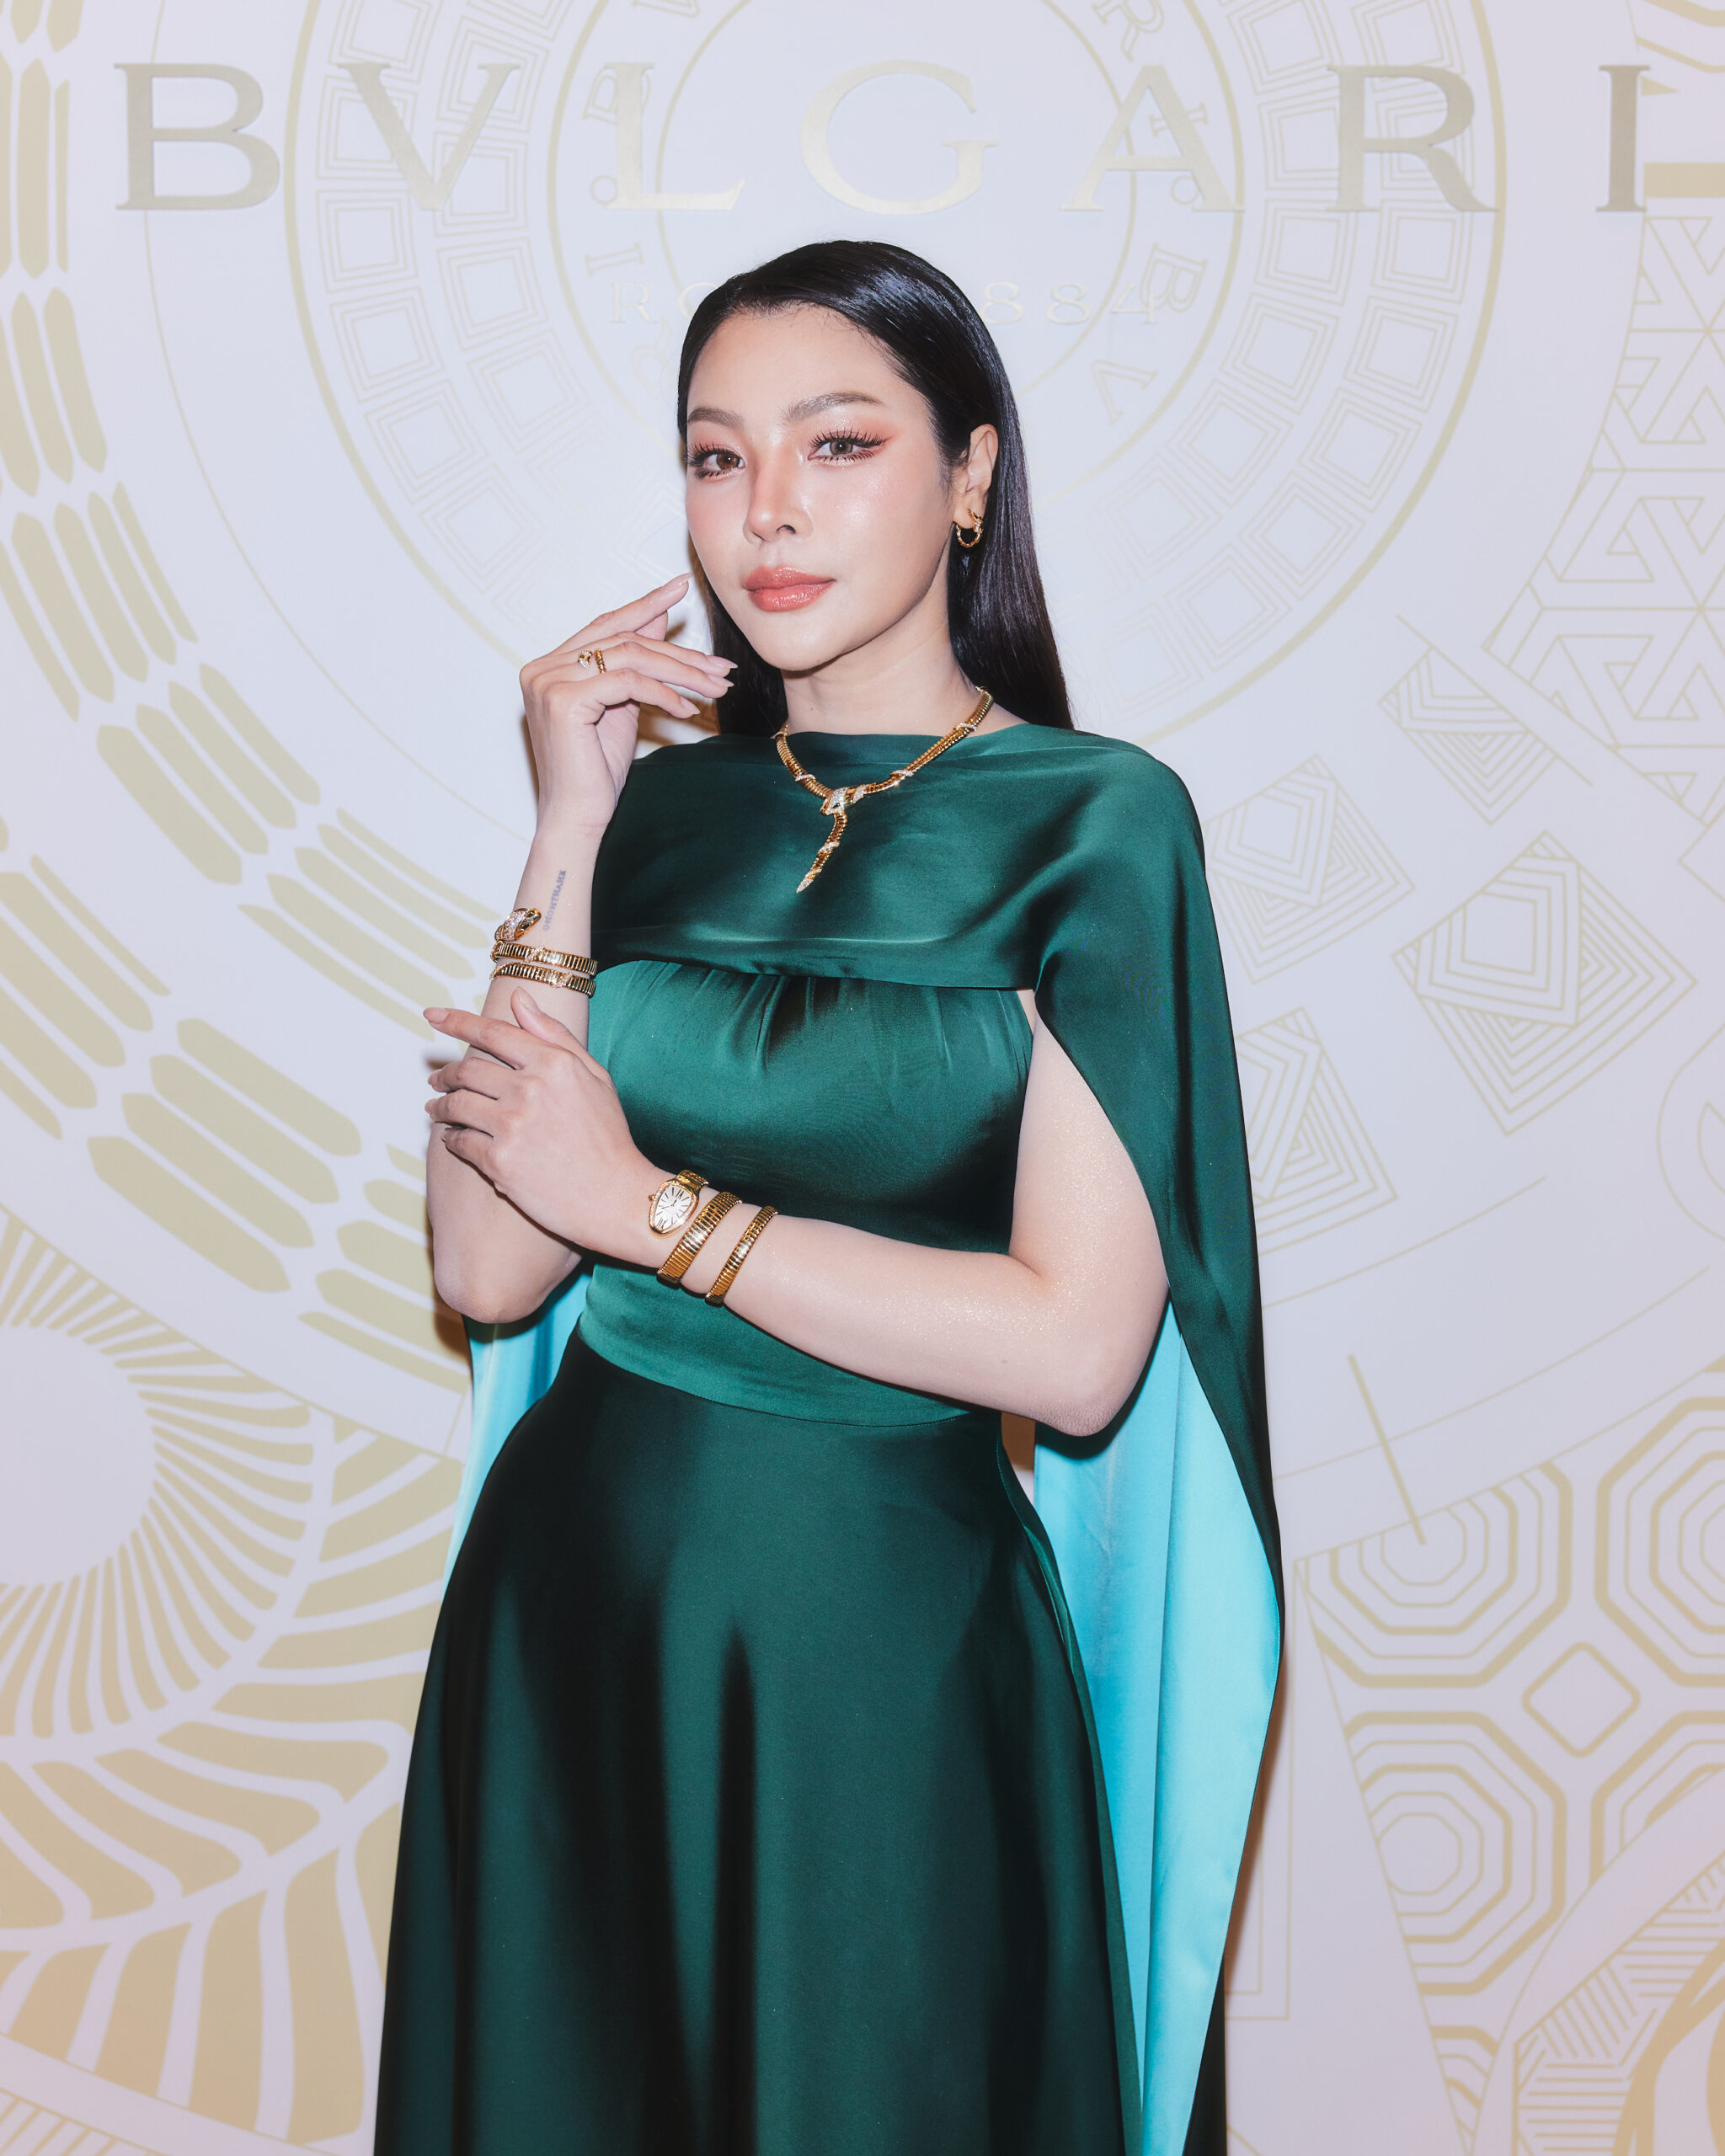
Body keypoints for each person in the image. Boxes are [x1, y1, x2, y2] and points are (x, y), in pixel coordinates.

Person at [376, 240, 1282, 2156]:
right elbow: (488, 1259)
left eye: (838, 442)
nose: (766, 509)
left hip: (878, 1631)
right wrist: (568, 824)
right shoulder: (657, 813)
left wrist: (656, 1212)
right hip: (570, 1612)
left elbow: (1078, 1350)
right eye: (717, 456)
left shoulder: (1098, 821)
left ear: (969, 475)